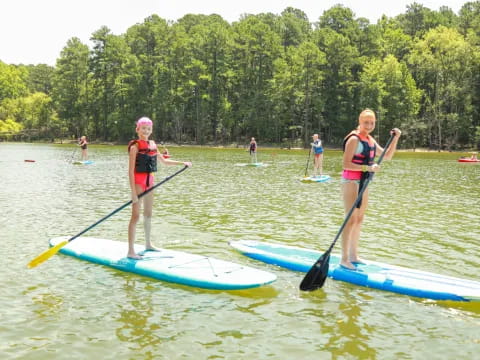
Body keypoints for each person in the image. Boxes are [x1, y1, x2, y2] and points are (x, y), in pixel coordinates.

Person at [340, 109, 401, 270]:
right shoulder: (353, 139)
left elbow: (387, 156)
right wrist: (368, 167)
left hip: (364, 181)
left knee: (359, 219)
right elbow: (346, 164)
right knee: (350, 219)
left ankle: (354, 256)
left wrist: (396, 138)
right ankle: (344, 259)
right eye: (366, 122)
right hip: (351, 181)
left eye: (372, 122)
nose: (369, 125)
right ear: (360, 122)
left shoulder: (370, 139)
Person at [127, 117, 192, 259]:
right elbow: (131, 171)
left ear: (151, 130)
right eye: (143, 128)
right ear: (137, 129)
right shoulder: (135, 147)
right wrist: (133, 193)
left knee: (148, 214)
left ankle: (148, 244)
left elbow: (164, 161)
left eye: (149, 129)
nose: (146, 131)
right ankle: (131, 251)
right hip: (138, 182)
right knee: (136, 215)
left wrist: (182, 163)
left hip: (150, 182)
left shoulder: (153, 145)